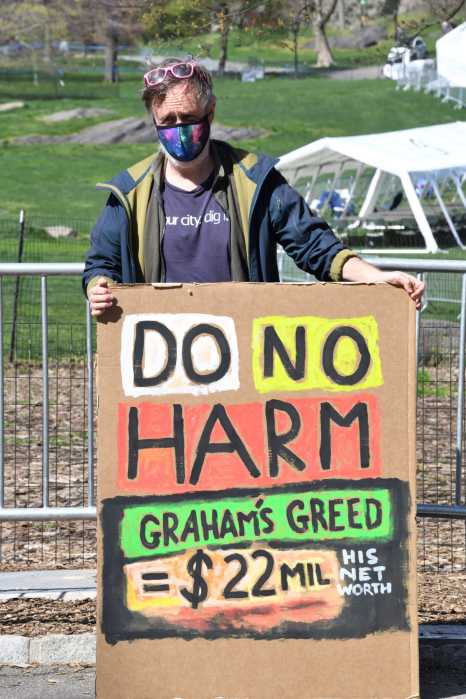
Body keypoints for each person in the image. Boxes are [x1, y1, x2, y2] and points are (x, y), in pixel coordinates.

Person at [83, 57, 424, 315]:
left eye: (188, 118)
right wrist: (98, 288)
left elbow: (315, 245)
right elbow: (101, 265)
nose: (179, 129)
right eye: (168, 121)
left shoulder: (256, 180)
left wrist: (376, 277)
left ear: (210, 112)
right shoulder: (129, 192)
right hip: (159, 356)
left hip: (243, 353)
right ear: (154, 121)